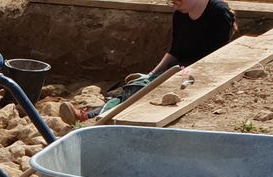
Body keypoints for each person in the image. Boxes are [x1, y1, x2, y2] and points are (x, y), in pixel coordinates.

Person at [61, 0, 237, 123]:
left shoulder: (218, 13)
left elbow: (216, 58)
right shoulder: (180, 14)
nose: (174, 4)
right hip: (178, 69)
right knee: (139, 84)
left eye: (177, 1)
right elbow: (175, 50)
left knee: (142, 90)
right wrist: (152, 73)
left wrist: (180, 72)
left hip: (199, 73)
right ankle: (93, 113)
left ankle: (88, 116)